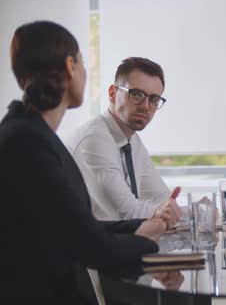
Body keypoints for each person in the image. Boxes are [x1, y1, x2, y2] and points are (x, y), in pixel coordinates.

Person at [0, 21, 170, 303]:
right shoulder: (28, 144)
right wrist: (145, 239)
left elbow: (78, 226)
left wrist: (140, 226)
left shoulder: (31, 135)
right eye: (82, 64)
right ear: (70, 66)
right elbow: (91, 246)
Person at [66, 57, 181, 225]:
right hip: (83, 246)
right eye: (136, 94)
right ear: (113, 93)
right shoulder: (94, 138)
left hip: (115, 242)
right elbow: (128, 212)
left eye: (154, 99)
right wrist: (174, 213)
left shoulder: (131, 140)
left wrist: (187, 212)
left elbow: (162, 198)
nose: (146, 106)